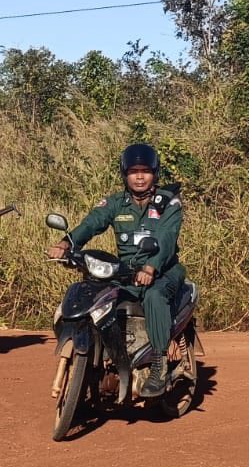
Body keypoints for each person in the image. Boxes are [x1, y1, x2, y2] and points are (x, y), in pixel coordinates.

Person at [46, 142, 184, 398]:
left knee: (154, 296)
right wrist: (67, 244)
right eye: (133, 172)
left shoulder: (168, 202)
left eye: (145, 171)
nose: (139, 177)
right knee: (97, 297)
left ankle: (159, 364)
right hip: (125, 272)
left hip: (164, 271)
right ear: (125, 174)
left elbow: (166, 238)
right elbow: (92, 223)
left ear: (155, 173)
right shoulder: (116, 202)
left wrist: (151, 267)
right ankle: (102, 358)